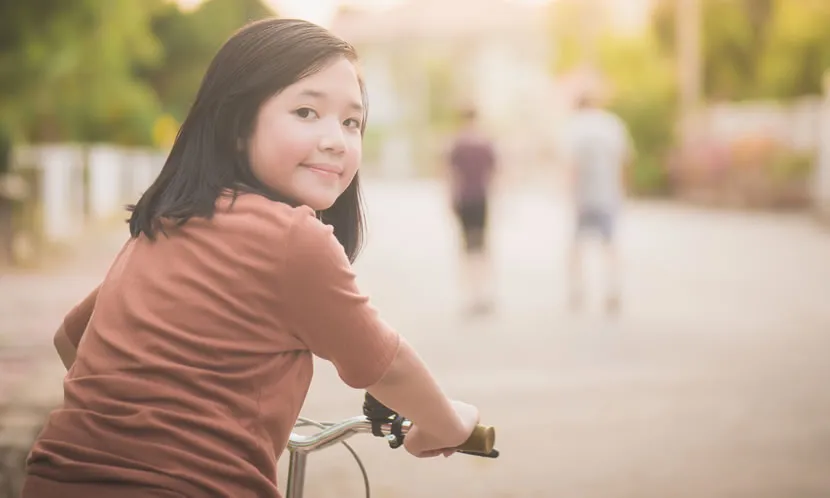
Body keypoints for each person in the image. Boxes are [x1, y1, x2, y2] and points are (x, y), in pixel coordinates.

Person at [22, 19, 480, 498]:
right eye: (306, 112)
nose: (335, 139)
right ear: (236, 127)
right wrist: (448, 422)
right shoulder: (293, 239)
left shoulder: (168, 221)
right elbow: (387, 365)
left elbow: (72, 339)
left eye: (351, 122)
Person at [562, 93, 634, 315]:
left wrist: (569, 194)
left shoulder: (573, 127)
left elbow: (570, 165)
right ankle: (612, 288)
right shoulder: (612, 124)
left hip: (583, 195)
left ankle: (577, 290)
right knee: (609, 244)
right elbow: (624, 160)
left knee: (576, 246)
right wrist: (622, 191)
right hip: (607, 194)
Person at [446, 107, 497, 314]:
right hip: (481, 199)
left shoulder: (457, 144)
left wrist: (448, 199)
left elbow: (449, 175)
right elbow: (494, 175)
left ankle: (470, 296)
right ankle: (482, 294)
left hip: (464, 199)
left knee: (467, 248)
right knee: (482, 247)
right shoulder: (486, 144)